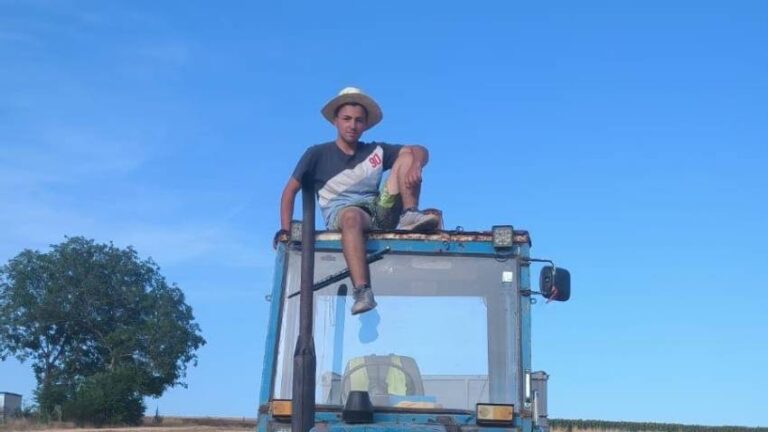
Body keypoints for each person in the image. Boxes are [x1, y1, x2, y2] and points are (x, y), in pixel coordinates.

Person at [279, 87, 439, 315]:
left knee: (407, 154)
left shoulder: (375, 151)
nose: (352, 125)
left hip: (377, 210)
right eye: (346, 119)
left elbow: (420, 150)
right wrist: (285, 233)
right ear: (335, 121)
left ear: (365, 125)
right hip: (344, 214)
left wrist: (416, 164)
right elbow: (289, 192)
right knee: (351, 217)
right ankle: (362, 290)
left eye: (358, 120)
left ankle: (409, 213)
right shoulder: (316, 154)